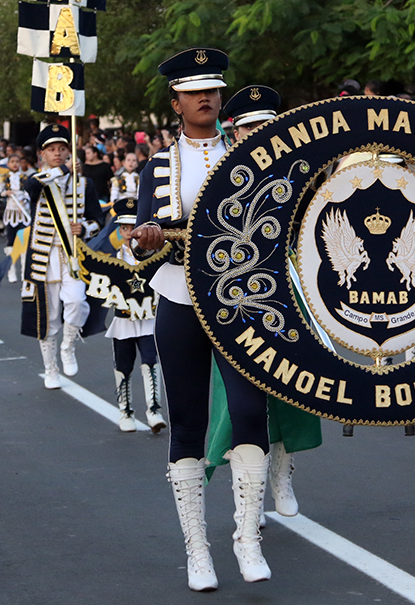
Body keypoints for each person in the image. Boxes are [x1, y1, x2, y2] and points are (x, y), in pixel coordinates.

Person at [134, 48, 273, 591]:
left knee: (248, 410)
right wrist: (146, 235)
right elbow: (141, 236)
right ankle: (198, 549)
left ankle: (247, 538)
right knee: (187, 420)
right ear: (176, 103)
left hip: (242, 300)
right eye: (194, 92)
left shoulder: (252, 153)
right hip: (179, 299)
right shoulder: (159, 166)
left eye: (212, 90)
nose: (206, 98)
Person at [211, 83, 321, 519]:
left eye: (268, 125)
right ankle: (248, 495)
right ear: (236, 133)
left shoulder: (300, 173)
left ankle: (281, 473)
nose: (260, 133)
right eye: (250, 127)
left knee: (291, 388)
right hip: (236, 295)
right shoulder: (222, 172)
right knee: (239, 399)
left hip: (289, 287)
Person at [20, 124, 102, 388]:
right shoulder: (38, 180)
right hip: (43, 256)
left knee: (77, 302)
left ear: (69, 150)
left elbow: (97, 219)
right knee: (48, 314)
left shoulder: (84, 183)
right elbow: (32, 186)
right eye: (52, 149)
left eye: (62, 149)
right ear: (43, 154)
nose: (57, 153)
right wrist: (66, 169)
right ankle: (50, 368)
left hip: (72, 255)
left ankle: (68, 346)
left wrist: (86, 228)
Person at [103, 196, 166, 433]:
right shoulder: (112, 258)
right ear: (120, 230)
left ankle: (154, 410)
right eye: (125, 228)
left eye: (134, 227)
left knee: (151, 361)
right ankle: (125, 411)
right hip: (123, 319)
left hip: (149, 317)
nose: (130, 233)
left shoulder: (154, 255)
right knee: (124, 364)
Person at [0, 153, 31, 283]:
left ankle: (24, 272)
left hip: (23, 213)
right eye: (12, 161)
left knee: (24, 242)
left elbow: (29, 193)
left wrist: (24, 198)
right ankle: (11, 271)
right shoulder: (3, 179)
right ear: (8, 164)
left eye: (17, 161)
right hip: (11, 213)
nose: (15, 164)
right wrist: (6, 193)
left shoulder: (25, 178)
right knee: (11, 241)